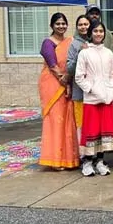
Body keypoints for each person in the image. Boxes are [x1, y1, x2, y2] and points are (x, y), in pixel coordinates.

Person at [75, 19, 113, 176]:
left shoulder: (108, 53)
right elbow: (79, 77)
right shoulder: (84, 53)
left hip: (107, 98)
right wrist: (91, 89)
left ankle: (100, 161)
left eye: (101, 31)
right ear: (90, 33)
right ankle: (87, 162)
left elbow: (111, 74)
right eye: (95, 31)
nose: (98, 34)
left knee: (104, 132)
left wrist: (110, 91)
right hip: (92, 99)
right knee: (91, 131)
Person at [38, 13, 79, 170]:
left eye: (63, 23)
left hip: (66, 83)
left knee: (68, 122)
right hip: (53, 84)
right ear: (52, 26)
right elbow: (53, 66)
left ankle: (68, 158)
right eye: (58, 24)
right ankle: (54, 160)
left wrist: (68, 82)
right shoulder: (48, 43)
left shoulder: (70, 42)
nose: (61, 26)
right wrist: (65, 81)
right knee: (55, 121)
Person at [66, 15, 90, 147]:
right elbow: (69, 68)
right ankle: (83, 156)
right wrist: (79, 54)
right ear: (77, 27)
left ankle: (95, 156)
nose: (83, 27)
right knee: (81, 125)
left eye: (86, 24)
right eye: (80, 25)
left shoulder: (95, 41)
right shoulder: (74, 44)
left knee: (93, 126)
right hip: (80, 93)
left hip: (95, 93)